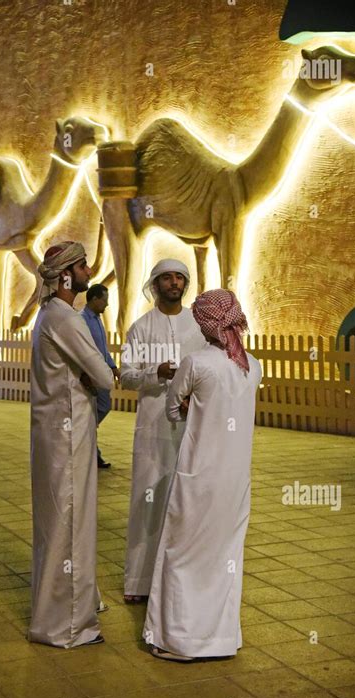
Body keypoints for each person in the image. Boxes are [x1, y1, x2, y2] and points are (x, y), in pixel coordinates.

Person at [143, 289, 262, 661]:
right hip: (235, 481)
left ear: (204, 323)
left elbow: (173, 411)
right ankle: (220, 640)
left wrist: (189, 406)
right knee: (225, 556)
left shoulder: (196, 363)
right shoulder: (253, 365)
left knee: (182, 553)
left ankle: (179, 640)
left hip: (198, 478)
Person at [28, 241, 114, 648]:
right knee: (72, 525)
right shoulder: (65, 318)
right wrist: (92, 375)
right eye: (81, 266)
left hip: (56, 434)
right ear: (65, 276)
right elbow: (104, 376)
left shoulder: (48, 314)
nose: (87, 270)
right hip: (68, 437)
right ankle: (68, 627)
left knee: (57, 525)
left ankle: (66, 611)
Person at [120, 259, 207, 604]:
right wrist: (155, 373)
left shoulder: (198, 327)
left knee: (186, 501)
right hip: (152, 428)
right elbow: (126, 376)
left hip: (191, 425)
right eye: (166, 278)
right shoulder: (140, 328)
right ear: (154, 285)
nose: (173, 283)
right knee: (148, 501)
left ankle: (178, 581)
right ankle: (139, 582)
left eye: (178, 278)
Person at [81, 283, 120, 468]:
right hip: (92, 376)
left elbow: (102, 349)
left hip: (101, 374)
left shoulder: (96, 319)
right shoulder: (82, 320)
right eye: (104, 300)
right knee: (98, 409)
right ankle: (90, 449)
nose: (107, 305)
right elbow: (84, 351)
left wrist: (112, 367)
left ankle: (89, 443)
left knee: (100, 409)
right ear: (95, 299)